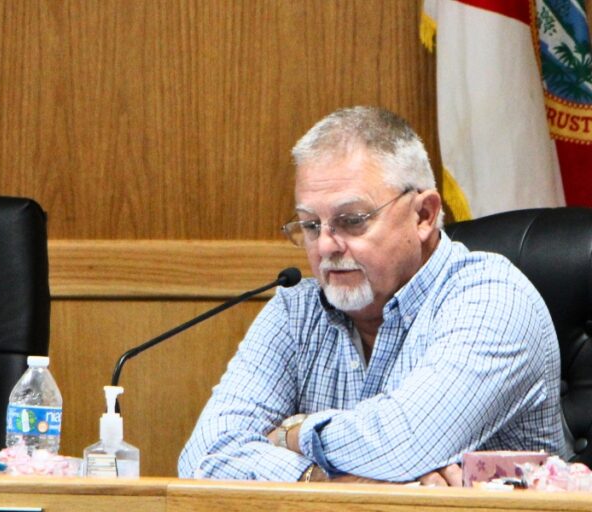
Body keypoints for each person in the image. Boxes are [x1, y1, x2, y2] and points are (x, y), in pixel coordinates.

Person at [178, 106, 566, 485]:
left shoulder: (492, 298)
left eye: (351, 221)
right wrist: (320, 480)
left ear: (424, 216)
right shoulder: (295, 312)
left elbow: (406, 442)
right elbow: (204, 456)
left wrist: (291, 436)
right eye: (311, 225)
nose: (326, 245)